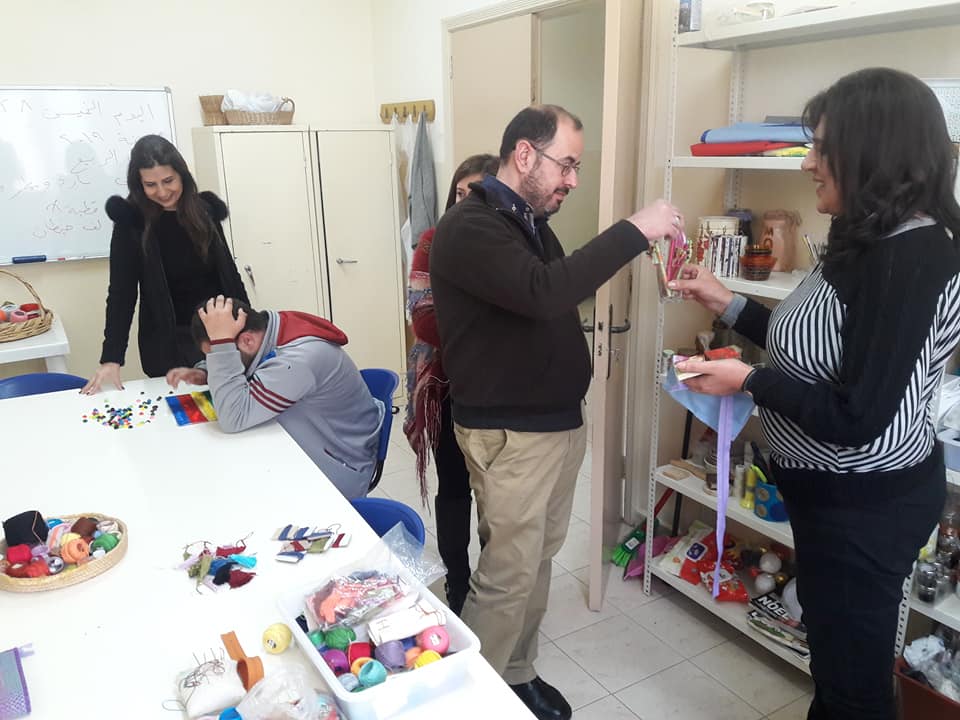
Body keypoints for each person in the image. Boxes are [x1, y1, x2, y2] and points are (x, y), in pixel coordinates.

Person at [671, 68, 960, 720]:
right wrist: (726, 302)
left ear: (873, 152)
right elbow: (815, 349)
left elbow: (857, 415)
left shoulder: (910, 258)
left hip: (865, 509)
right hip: (833, 502)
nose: (807, 163)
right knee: (834, 667)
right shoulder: (869, 240)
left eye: (822, 148)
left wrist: (747, 380)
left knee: (854, 690)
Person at [429, 104, 682, 720]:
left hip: (555, 426)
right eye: (565, 165)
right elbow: (545, 292)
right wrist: (634, 230)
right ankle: (468, 706)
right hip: (511, 434)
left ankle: (515, 673)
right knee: (506, 577)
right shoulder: (469, 227)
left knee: (535, 562)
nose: (572, 179)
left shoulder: (531, 225)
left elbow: (553, 292)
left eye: (576, 168)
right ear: (524, 155)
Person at [404, 152, 501, 616]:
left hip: (498, 392)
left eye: (476, 194)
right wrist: (489, 324)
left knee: (498, 499)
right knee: (455, 489)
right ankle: (457, 583)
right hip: (446, 388)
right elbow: (424, 320)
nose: (464, 203)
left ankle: (494, 587)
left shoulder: (509, 246)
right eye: (459, 194)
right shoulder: (433, 241)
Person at [82, 134, 248, 394]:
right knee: (178, 409)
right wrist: (111, 358)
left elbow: (229, 274)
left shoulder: (205, 211)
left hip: (219, 335)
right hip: (167, 344)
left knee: (226, 405)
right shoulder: (131, 222)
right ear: (139, 184)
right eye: (150, 184)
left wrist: (252, 327)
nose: (161, 192)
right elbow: (121, 293)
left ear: (182, 175)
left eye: (168, 181)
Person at [173, 296, 384, 500]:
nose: (217, 359)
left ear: (247, 340)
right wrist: (208, 371)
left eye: (222, 352)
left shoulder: (297, 360)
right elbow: (249, 365)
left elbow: (233, 417)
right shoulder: (269, 329)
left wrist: (222, 348)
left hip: (341, 469)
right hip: (322, 440)